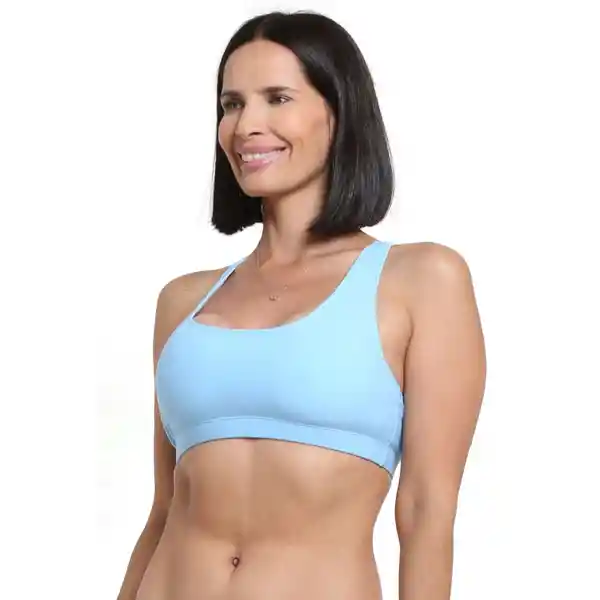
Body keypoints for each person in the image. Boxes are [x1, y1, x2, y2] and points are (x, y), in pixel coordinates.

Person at [117, 10, 486, 600]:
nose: (245, 126)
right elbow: (164, 510)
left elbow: (425, 510)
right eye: (231, 104)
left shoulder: (422, 280)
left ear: (339, 113)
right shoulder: (181, 302)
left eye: (277, 98)